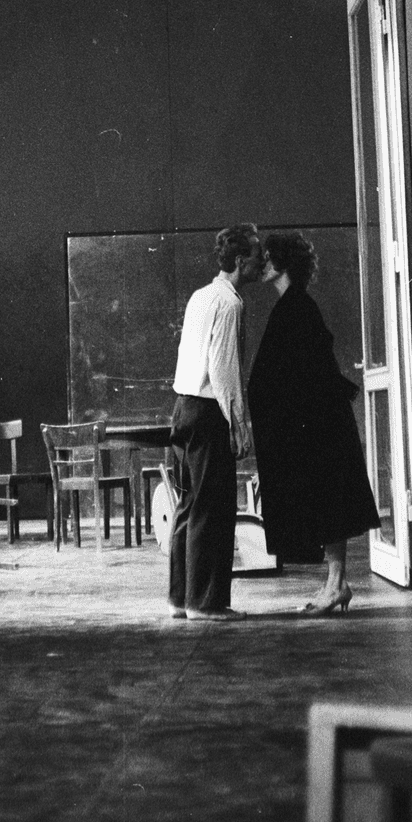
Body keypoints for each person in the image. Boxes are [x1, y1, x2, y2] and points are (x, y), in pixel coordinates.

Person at [247, 230, 380, 614]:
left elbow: (307, 371)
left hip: (317, 425)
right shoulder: (293, 304)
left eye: (270, 257)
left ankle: (337, 584)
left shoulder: (297, 306)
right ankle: (336, 584)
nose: (264, 264)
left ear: (284, 263)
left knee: (327, 501)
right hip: (316, 422)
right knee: (327, 502)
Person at [167, 222, 264, 621]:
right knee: (212, 509)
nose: (262, 264)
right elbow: (224, 371)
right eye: (257, 257)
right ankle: (205, 603)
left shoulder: (200, 296)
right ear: (240, 261)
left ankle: (179, 599)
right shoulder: (230, 303)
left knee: (190, 506)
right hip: (209, 413)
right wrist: (240, 427)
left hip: (184, 408)